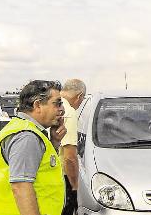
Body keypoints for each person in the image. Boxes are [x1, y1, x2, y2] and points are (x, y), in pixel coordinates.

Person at [0, 80, 67, 215]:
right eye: (57, 103)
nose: (61, 109)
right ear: (38, 105)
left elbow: (39, 171)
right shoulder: (27, 137)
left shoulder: (22, 128)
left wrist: (54, 142)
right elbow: (21, 187)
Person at [59, 79, 87, 215]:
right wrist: (75, 186)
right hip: (61, 176)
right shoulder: (68, 112)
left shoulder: (50, 105)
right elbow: (69, 157)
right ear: (79, 96)